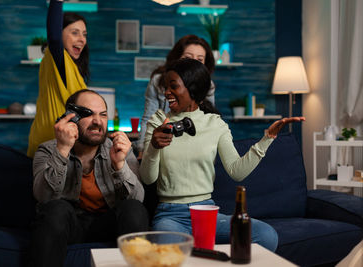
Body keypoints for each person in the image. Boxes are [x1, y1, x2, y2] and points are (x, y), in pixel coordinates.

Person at [139, 58, 306, 252]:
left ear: (192, 89)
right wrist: (153, 147)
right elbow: (147, 178)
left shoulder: (215, 124)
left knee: (267, 235)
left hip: (206, 212)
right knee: (168, 253)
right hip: (170, 215)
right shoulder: (158, 121)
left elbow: (237, 171)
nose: (166, 92)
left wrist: (267, 138)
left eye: (173, 86)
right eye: (166, 87)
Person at [28, 89, 149, 267]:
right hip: (70, 225)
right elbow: (43, 197)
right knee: (56, 209)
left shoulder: (119, 148)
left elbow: (138, 199)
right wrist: (62, 150)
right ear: (71, 116)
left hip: (108, 224)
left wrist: (119, 166)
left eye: (103, 115)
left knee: (133, 208)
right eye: (88, 114)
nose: (97, 122)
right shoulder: (48, 150)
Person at [27, 0, 90, 158]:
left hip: (63, 146)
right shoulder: (58, 59)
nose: (82, 39)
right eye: (75, 32)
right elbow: (54, 39)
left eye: (84, 34)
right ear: (60, 33)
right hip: (50, 146)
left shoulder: (73, 70)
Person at [136, 35, 216, 158]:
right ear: (177, 58)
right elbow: (148, 118)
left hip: (195, 149)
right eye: (187, 57)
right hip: (162, 147)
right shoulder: (158, 81)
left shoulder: (208, 86)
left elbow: (210, 121)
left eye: (199, 60)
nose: (193, 63)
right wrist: (142, 151)